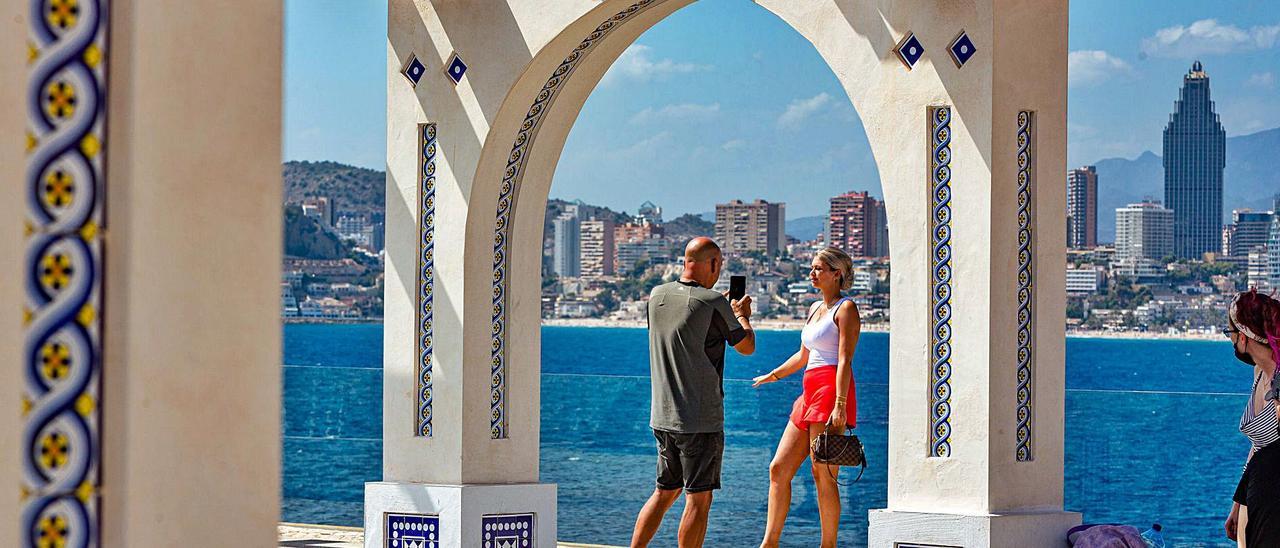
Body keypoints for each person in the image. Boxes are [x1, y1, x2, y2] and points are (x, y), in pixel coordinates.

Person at [630, 237, 756, 548]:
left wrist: (718, 308)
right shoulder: (713, 303)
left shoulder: (656, 295)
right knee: (698, 500)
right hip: (700, 419)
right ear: (713, 264)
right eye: (719, 265)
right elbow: (746, 347)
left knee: (664, 491)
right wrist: (740, 314)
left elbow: (685, 326)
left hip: (662, 416)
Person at [752, 247, 861, 548]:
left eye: (818, 269)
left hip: (830, 392)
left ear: (836, 273)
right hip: (809, 391)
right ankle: (769, 543)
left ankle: (828, 546)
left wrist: (839, 405)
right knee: (778, 469)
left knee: (822, 473)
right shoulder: (815, 308)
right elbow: (803, 356)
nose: (811, 274)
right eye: (811, 268)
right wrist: (771, 375)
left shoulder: (846, 308)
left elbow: (844, 360)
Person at [1222, 289, 1280, 546]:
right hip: (1258, 486)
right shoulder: (1259, 373)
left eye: (1231, 334)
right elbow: (1257, 446)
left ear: (1244, 337)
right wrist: (1237, 502)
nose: (1231, 340)